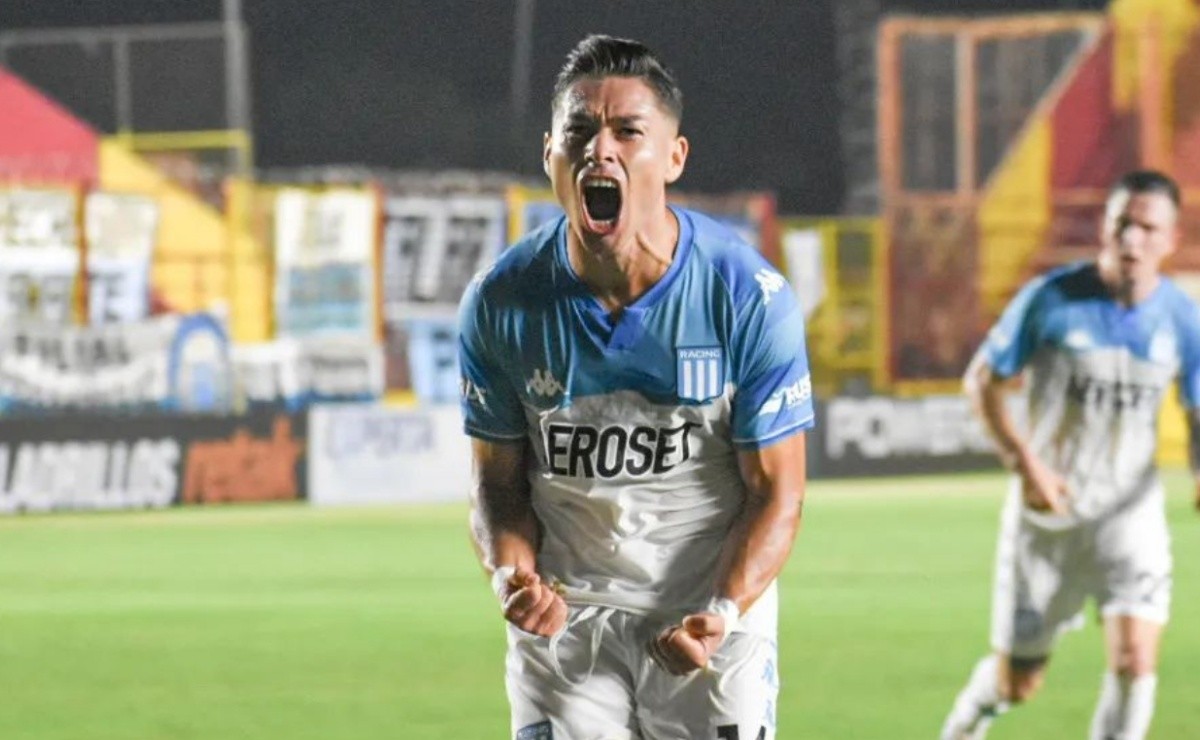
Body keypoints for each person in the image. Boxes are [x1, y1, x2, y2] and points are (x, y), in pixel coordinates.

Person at [457, 34, 813, 740]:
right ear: (550, 156)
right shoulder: (501, 301)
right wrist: (511, 574)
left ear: (674, 157)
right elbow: (497, 486)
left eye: (628, 131)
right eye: (579, 131)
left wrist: (726, 609)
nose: (600, 149)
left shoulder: (745, 297)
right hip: (567, 626)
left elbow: (780, 492)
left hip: (708, 617)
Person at [940, 170, 1200, 740]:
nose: (1131, 239)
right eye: (1120, 224)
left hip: (1130, 519)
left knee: (1135, 660)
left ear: (1170, 239)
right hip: (1048, 517)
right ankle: (964, 724)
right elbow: (982, 382)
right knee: (1018, 682)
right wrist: (1027, 465)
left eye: (1146, 227)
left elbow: (1198, 406)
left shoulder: (1182, 318)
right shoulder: (1052, 300)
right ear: (1104, 228)